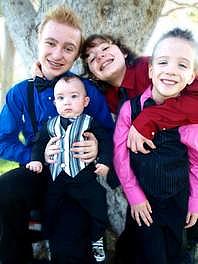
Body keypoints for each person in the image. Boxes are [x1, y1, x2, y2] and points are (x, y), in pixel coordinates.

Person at [0, 5, 114, 264]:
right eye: (50, 43)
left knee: (68, 245)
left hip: (75, 177)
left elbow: (108, 131)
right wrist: (37, 154)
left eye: (68, 48)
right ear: (38, 42)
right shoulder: (20, 93)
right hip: (37, 171)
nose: (57, 54)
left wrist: (97, 146)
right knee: (5, 191)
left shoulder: (87, 92)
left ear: (76, 56)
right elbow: (2, 140)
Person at [113, 28, 198, 264]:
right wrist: (134, 195)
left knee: (174, 251)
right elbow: (121, 157)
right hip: (144, 202)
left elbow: (195, 162)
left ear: (192, 76)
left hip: (177, 200)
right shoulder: (131, 109)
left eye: (182, 65)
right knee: (148, 254)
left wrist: (195, 200)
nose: (171, 70)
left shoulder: (190, 118)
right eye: (163, 62)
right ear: (151, 70)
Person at [26, 76, 112, 263]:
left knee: (98, 202)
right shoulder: (49, 125)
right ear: (55, 102)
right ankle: (49, 240)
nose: (67, 102)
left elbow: (105, 142)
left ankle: (97, 237)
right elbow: (39, 145)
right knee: (49, 208)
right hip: (57, 180)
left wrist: (104, 161)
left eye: (74, 96)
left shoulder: (90, 123)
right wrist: (37, 160)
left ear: (85, 101)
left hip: (84, 180)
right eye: (61, 98)